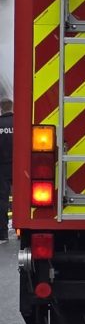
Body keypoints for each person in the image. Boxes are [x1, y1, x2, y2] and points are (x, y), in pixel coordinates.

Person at [0, 99, 12, 242]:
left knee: (2, 200)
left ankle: (3, 234)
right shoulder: (20, 122)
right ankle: (23, 230)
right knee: (25, 198)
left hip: (2, 167)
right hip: (21, 167)